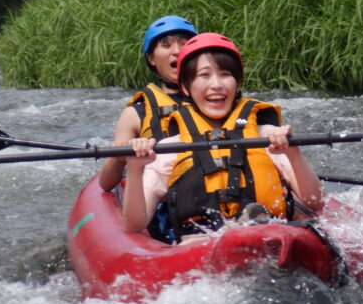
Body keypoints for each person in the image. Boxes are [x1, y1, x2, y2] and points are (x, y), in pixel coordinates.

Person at [122, 32, 324, 242]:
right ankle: (243, 230)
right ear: (185, 87)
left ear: (237, 82)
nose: (216, 84)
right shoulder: (170, 149)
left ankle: (253, 226)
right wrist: (136, 169)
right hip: (199, 246)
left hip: (270, 238)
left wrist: (294, 154)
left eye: (225, 74)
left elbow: (314, 202)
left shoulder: (267, 136)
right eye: (204, 75)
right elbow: (135, 224)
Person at [98, 15, 198, 192]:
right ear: (152, 58)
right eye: (166, 45)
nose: (177, 51)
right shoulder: (135, 114)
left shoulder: (216, 100)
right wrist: (118, 157)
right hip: (162, 196)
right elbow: (106, 184)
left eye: (184, 43)